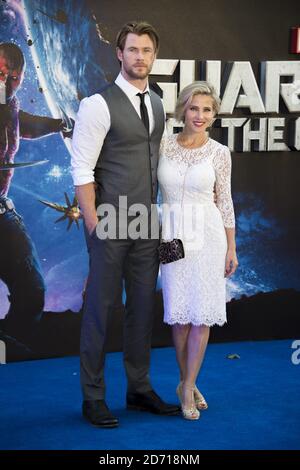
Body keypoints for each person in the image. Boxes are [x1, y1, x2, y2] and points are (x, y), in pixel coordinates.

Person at [71, 21, 180, 428]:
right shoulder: (97, 105)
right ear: (120, 54)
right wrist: (93, 224)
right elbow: (81, 169)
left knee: (141, 310)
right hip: (110, 224)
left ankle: (138, 389)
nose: (140, 57)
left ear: (154, 56)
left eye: (147, 50)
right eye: (132, 50)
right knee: (99, 311)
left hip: (146, 223)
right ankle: (93, 397)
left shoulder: (156, 102)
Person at [157, 81, 238, 420]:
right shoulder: (162, 145)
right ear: (183, 110)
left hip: (208, 236)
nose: (200, 115)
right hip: (171, 235)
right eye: (194, 108)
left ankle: (188, 387)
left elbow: (226, 201)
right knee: (179, 316)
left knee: (201, 314)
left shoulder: (220, 153)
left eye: (207, 110)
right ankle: (185, 382)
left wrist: (232, 246)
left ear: (214, 114)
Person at [0, 42, 73, 346]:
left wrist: (58, 125)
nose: (7, 81)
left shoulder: (10, 104)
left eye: (12, 76)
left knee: (32, 290)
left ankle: (8, 345)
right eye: (2, 73)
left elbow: (23, 125)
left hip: (1, 212)